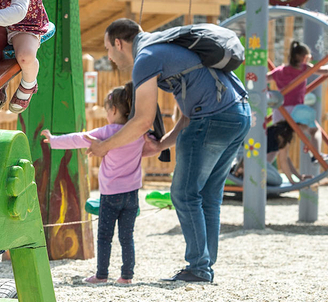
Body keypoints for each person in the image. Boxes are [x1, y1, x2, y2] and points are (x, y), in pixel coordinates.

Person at [88, 18, 251, 283]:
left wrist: (103, 146)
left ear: (119, 43)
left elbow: (141, 119)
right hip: (239, 114)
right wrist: (161, 145)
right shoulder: (166, 46)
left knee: (185, 194)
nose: (110, 56)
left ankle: (198, 268)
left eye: (108, 48)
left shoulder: (147, 57)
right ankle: (204, 265)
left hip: (211, 118)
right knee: (208, 194)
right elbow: (187, 113)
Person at [42, 83, 142, 285]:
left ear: (113, 110)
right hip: (132, 196)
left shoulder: (107, 132)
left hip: (111, 195)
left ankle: (102, 275)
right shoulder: (137, 132)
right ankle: (126, 277)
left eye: (106, 111)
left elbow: (79, 139)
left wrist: (54, 141)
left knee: (105, 236)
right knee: (127, 237)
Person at [268, 41, 328, 163]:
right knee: (314, 130)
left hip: (280, 112)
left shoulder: (279, 71)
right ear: (304, 57)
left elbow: (263, 79)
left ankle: (263, 166)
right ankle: (316, 154)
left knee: (277, 144)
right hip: (296, 110)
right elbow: (325, 71)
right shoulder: (304, 68)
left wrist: (269, 93)